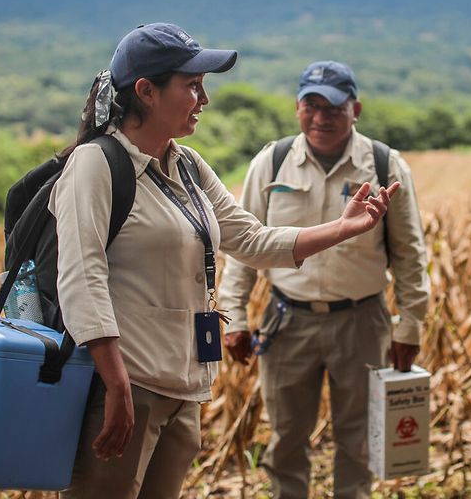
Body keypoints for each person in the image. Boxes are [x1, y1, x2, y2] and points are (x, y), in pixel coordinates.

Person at [50, 25, 400, 499]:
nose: (204, 98)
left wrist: (344, 228)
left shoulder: (188, 165)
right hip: (125, 387)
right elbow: (81, 279)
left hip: (181, 391)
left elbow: (252, 239)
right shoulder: (95, 164)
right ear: (146, 92)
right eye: (192, 86)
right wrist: (115, 386)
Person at [218, 60, 430, 498]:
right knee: (286, 437)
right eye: (310, 106)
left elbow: (410, 253)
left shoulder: (384, 165)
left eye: (333, 108)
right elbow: (242, 245)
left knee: (358, 437)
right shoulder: (272, 162)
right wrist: (233, 316)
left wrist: (410, 324)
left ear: (356, 109)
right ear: (297, 108)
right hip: (287, 320)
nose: (320, 118)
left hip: (362, 320)